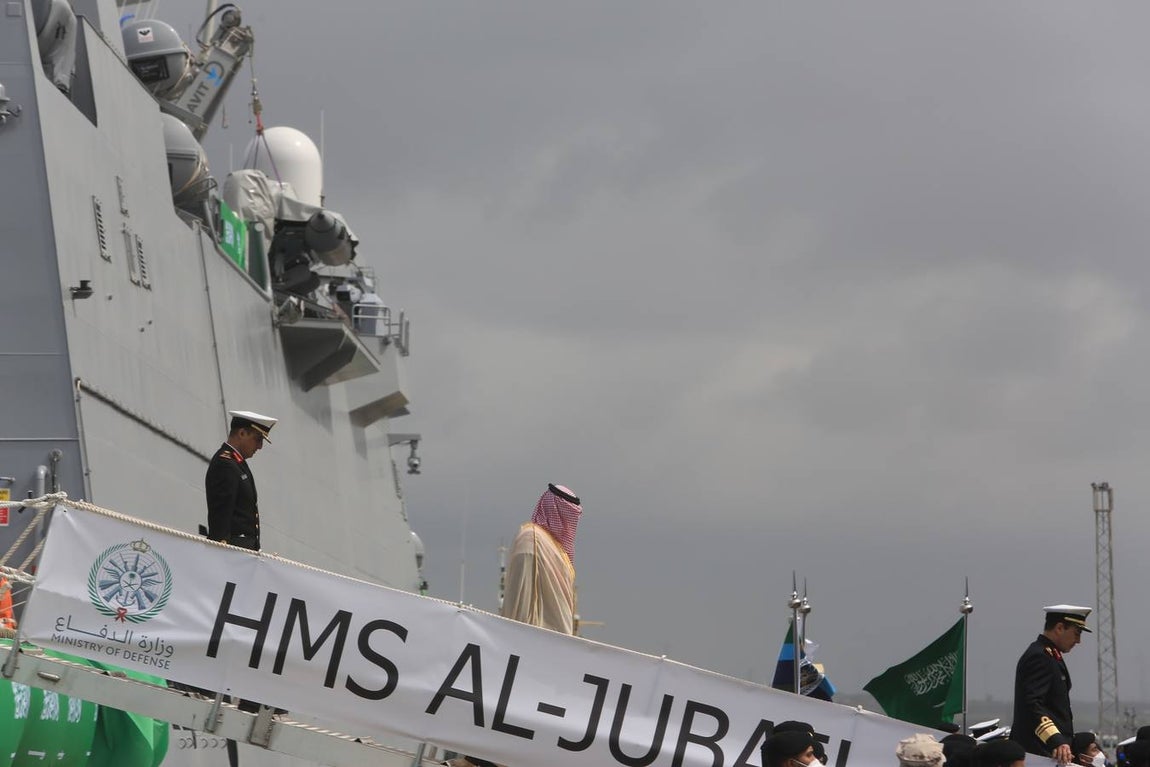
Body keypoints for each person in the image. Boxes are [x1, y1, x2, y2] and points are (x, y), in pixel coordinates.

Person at [1011, 604, 1092, 764]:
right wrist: (1055, 739)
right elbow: (1032, 704)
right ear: (1060, 628)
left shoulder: (1051, 656)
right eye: (1076, 633)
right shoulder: (1040, 656)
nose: (1078, 641)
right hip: (1040, 750)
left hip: (1051, 751)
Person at [501, 483, 583, 634]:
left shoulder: (558, 551)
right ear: (554, 509)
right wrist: (518, 635)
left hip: (559, 639)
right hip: (531, 635)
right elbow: (522, 593)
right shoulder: (532, 539)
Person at [205, 410, 276, 550]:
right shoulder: (225, 464)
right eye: (258, 439)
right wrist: (220, 551)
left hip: (242, 551)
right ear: (242, 433)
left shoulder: (238, 464)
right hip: (232, 552)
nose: (260, 447)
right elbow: (221, 516)